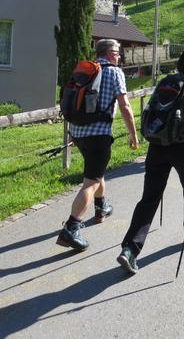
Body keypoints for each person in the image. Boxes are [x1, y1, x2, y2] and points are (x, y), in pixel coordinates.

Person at [117, 47, 184, 275]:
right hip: (182, 147)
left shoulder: (166, 81)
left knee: (149, 198)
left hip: (157, 144)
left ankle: (130, 249)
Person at [56, 39, 140, 251]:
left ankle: (101, 206)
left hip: (78, 132)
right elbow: (125, 105)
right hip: (98, 135)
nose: (119, 56)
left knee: (96, 171)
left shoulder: (88, 71)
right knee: (91, 182)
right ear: (110, 53)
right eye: (118, 52)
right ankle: (71, 228)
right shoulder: (114, 72)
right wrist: (133, 134)